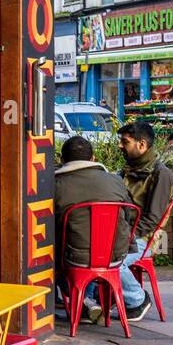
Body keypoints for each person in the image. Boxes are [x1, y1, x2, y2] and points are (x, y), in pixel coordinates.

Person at [54, 134, 134, 321]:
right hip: (114, 256)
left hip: (73, 259)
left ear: (62, 160)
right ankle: (87, 302)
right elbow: (129, 215)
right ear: (93, 159)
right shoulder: (115, 181)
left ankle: (83, 303)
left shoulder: (55, 185)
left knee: (50, 261)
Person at [116, 119, 173, 321]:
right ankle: (92, 303)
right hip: (123, 232)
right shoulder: (126, 170)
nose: (120, 146)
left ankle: (138, 299)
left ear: (141, 145)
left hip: (143, 238)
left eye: (125, 142)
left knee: (112, 260)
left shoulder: (162, 175)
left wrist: (125, 238)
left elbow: (152, 219)